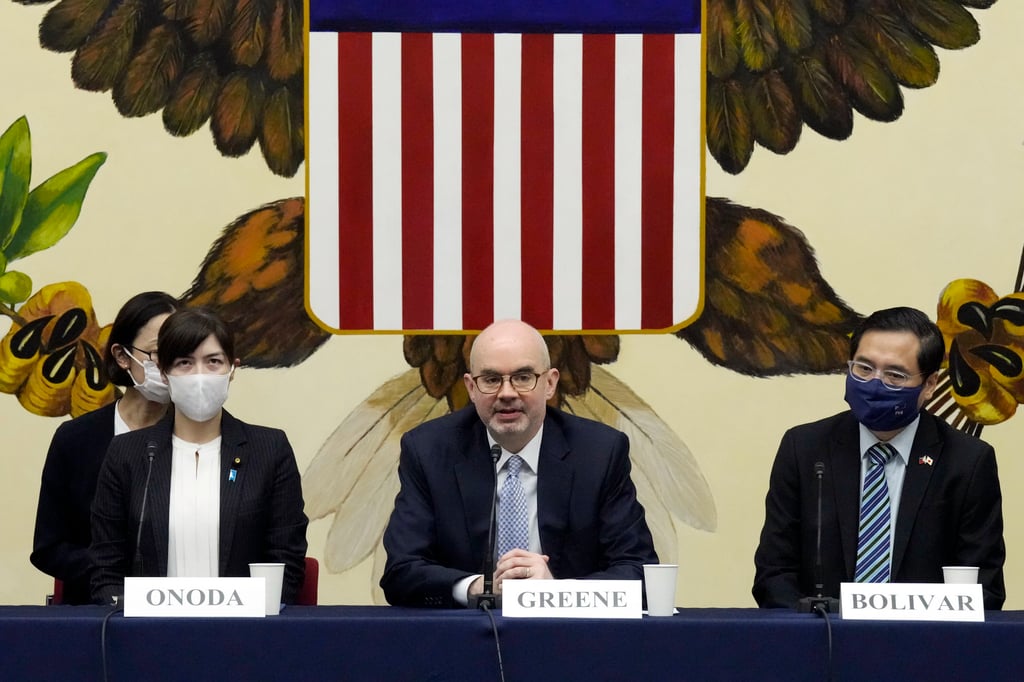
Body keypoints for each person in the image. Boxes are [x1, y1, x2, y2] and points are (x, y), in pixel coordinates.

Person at [380, 319, 658, 608]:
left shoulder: (600, 453)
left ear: (550, 383)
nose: (507, 393)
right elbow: (401, 572)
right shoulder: (429, 451)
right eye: (490, 379)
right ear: (471, 388)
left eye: (523, 377)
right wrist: (480, 587)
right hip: (463, 640)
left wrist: (557, 592)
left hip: (573, 640)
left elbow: (638, 572)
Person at [753, 307, 1006, 609]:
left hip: (925, 647)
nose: (874, 384)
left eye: (895, 375)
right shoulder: (805, 449)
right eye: (863, 368)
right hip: (822, 642)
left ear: (929, 385)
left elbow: (983, 589)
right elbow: (774, 574)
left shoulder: (967, 463)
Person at [89, 307, 308, 604]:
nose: (200, 376)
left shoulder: (269, 450)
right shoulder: (128, 454)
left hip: (244, 636)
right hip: (147, 636)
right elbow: (105, 567)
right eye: (184, 363)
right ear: (164, 374)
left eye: (213, 362)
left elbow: (287, 561)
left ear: (233, 370)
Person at [31, 291, 178, 604]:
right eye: (156, 353)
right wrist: (116, 577)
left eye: (179, 353)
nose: (169, 366)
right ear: (123, 356)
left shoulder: (201, 435)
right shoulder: (76, 439)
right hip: (97, 614)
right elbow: (50, 547)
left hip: (183, 608)